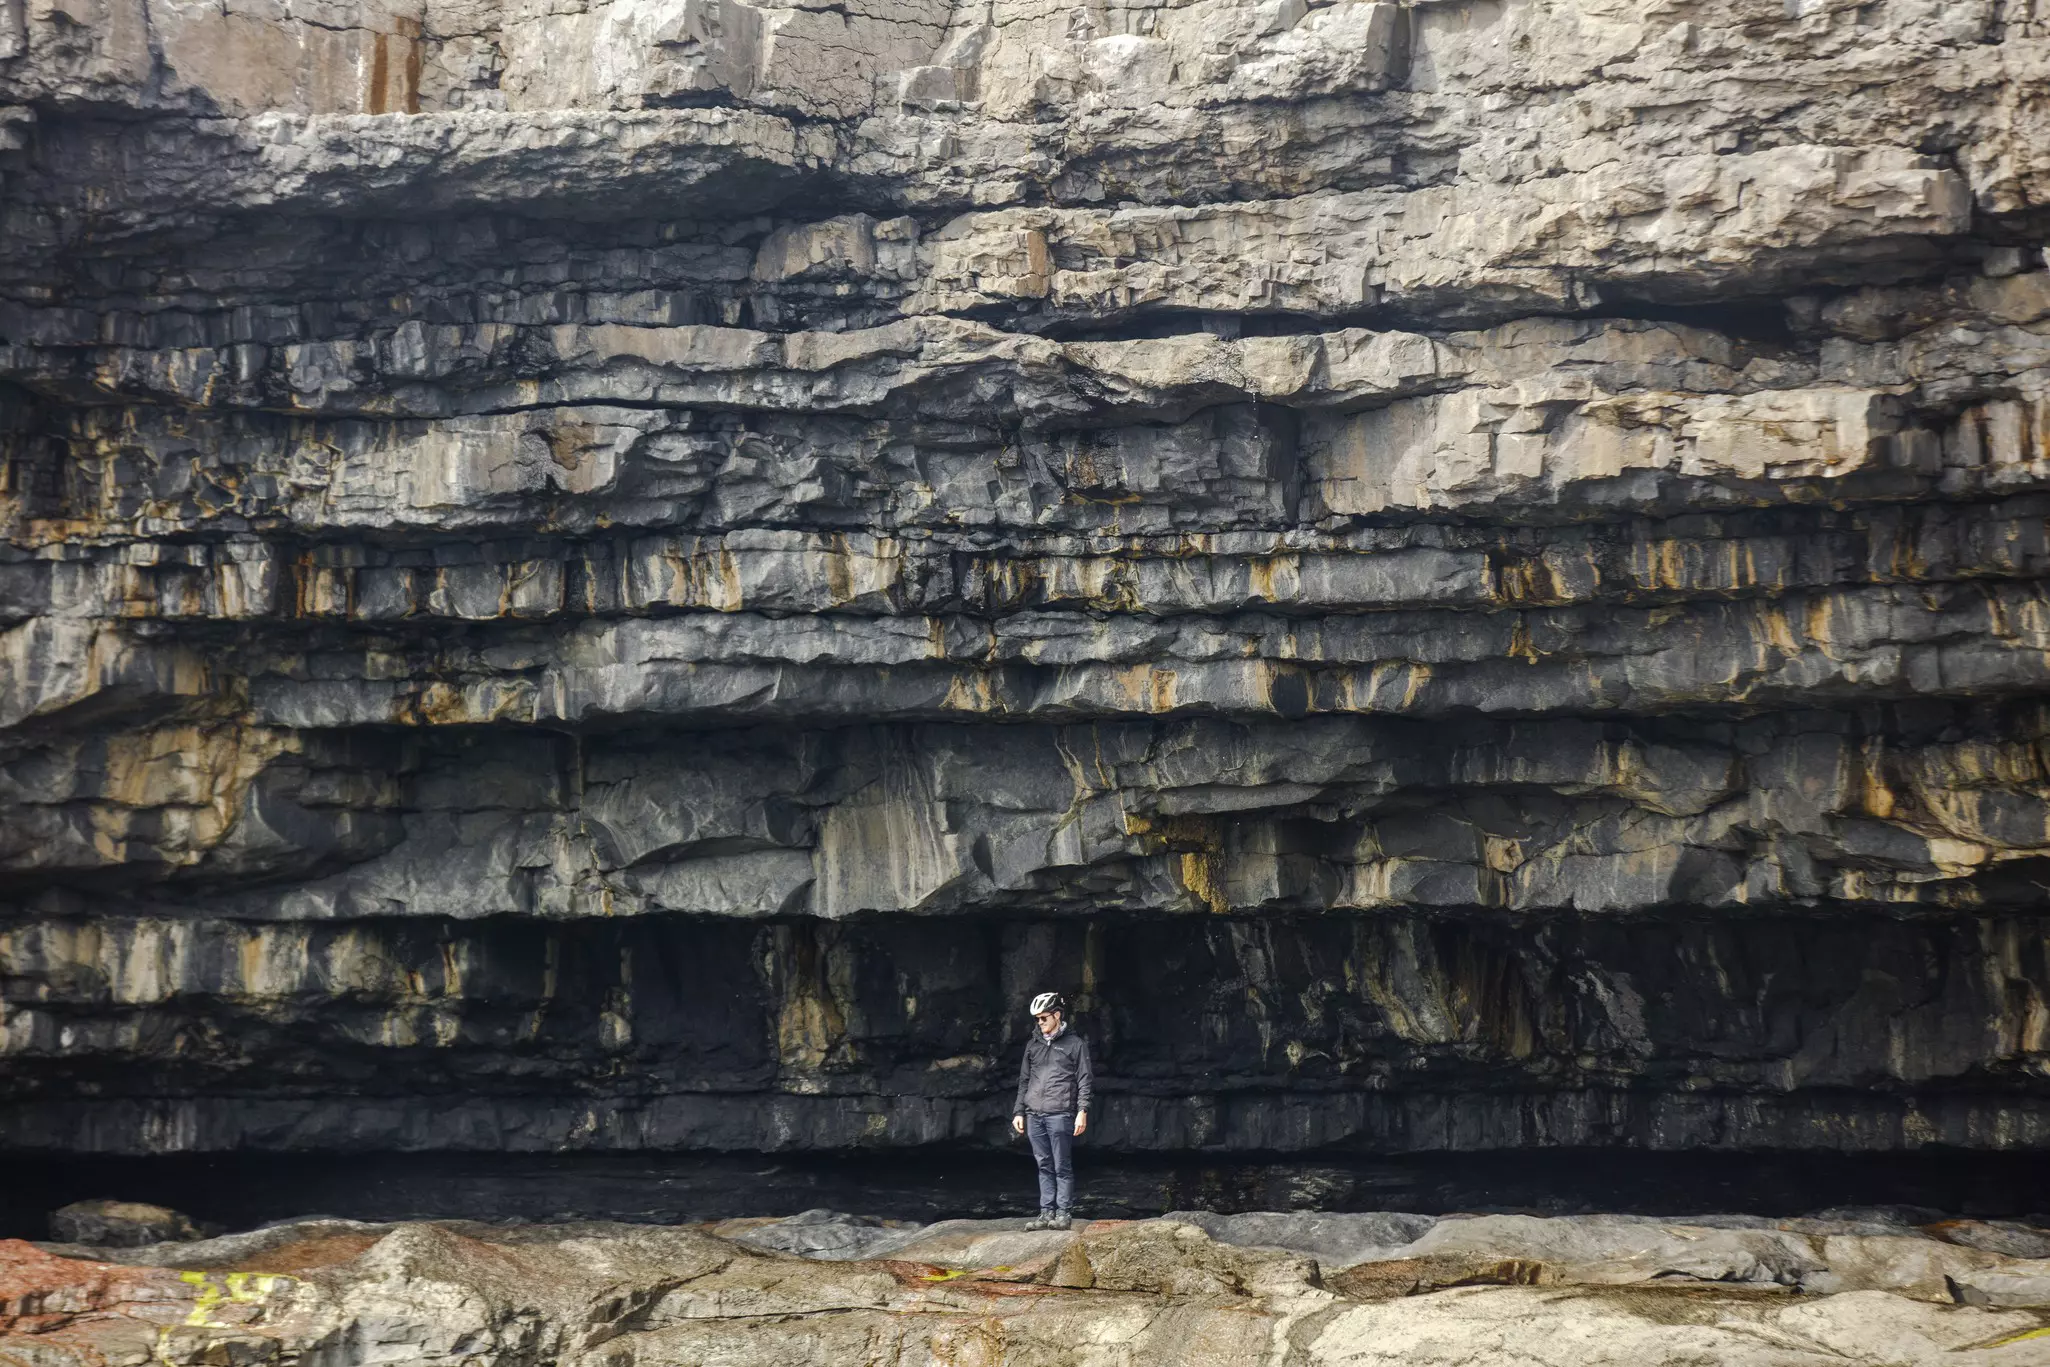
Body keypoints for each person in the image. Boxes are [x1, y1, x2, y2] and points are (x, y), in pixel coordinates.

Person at [1010, 990, 1093, 1230]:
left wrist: (1082, 1111)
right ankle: (1046, 1213)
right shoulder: (1033, 1045)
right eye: (1037, 1019)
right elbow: (1024, 1080)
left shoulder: (1075, 1044)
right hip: (1034, 1113)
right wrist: (1019, 1111)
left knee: (1061, 1165)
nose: (1040, 1023)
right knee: (1043, 1164)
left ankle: (1063, 1214)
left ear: (1057, 1015)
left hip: (1060, 1113)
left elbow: (1085, 1080)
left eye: (1044, 1017)